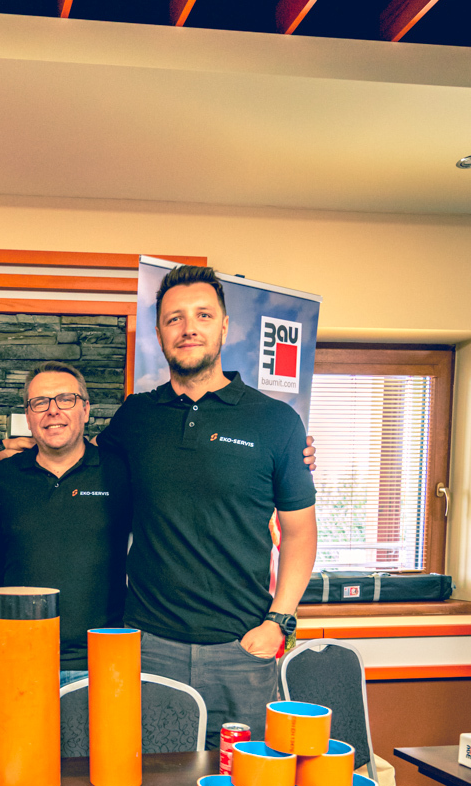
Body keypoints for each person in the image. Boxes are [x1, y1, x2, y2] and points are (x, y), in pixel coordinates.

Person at [95, 264, 318, 748]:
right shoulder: (135, 416)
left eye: (202, 315)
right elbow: (75, 458)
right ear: (159, 333)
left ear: (224, 326)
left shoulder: (276, 422)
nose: (188, 328)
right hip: (150, 647)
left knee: (244, 785)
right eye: (174, 318)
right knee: (149, 783)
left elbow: (300, 533)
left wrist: (278, 623)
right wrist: (7, 447)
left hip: (242, 651)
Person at [0, 362, 131, 684]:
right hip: (17, 657)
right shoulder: (1, 477)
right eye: (40, 402)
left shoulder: (120, 473)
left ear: (86, 409)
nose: (53, 410)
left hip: (101, 661)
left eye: (65, 399)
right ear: (28, 416)